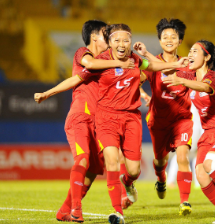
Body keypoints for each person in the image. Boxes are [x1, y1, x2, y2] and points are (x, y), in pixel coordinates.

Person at [79, 23, 188, 224]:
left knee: (133, 171)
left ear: (130, 41)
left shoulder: (135, 59)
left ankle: (129, 184)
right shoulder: (101, 60)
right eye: (117, 40)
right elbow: (86, 67)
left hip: (131, 118)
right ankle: (117, 211)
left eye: (126, 40)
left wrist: (176, 65)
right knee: (112, 161)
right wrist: (49, 93)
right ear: (110, 42)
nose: (122, 44)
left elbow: (152, 66)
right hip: (106, 117)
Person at [34, 20, 133, 222]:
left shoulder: (107, 63)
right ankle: (76, 211)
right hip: (80, 116)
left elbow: (81, 78)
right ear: (95, 36)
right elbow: (87, 67)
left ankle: (64, 210)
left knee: (95, 169)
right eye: (107, 33)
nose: (111, 37)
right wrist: (47, 93)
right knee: (83, 158)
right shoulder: (83, 53)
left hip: (99, 121)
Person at [163, 40, 215, 224]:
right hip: (208, 135)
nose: (191, 54)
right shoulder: (191, 78)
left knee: (210, 165)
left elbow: (206, 88)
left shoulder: (213, 76)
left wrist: (181, 80)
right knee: (201, 175)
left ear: (207, 56)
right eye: (190, 51)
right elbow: (165, 69)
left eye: (196, 51)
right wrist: (147, 55)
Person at [133, 18, 194, 215]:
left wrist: (146, 55)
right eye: (165, 37)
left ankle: (184, 202)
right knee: (160, 161)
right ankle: (161, 179)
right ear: (160, 41)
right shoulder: (150, 66)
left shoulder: (187, 63)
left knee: (183, 156)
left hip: (182, 119)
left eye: (173, 37)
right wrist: (142, 94)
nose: (169, 40)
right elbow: (136, 81)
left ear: (180, 41)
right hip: (158, 121)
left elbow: (170, 69)